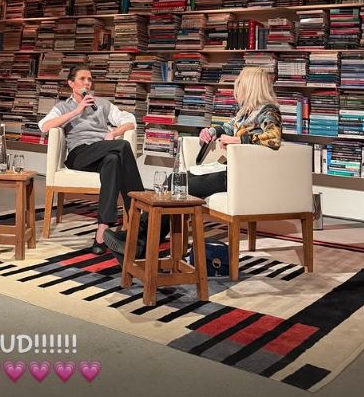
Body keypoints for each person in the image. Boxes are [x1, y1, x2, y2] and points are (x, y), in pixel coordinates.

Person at [103, 66, 282, 259]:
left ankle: (137, 243)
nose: (237, 88)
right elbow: (227, 128)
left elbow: (273, 138)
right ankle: (137, 239)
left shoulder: (269, 111)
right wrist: (211, 131)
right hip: (231, 171)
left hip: (243, 175)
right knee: (175, 181)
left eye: (240, 84)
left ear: (250, 86)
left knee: (178, 185)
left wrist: (238, 140)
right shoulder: (245, 112)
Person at [38, 65, 144, 254]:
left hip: (102, 152)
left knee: (113, 160)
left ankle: (102, 231)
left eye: (89, 79)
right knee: (122, 146)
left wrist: (114, 133)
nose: (87, 83)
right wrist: (77, 111)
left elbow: (130, 121)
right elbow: (45, 126)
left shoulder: (102, 104)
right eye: (82, 79)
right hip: (79, 154)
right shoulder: (63, 107)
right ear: (71, 83)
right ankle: (140, 212)